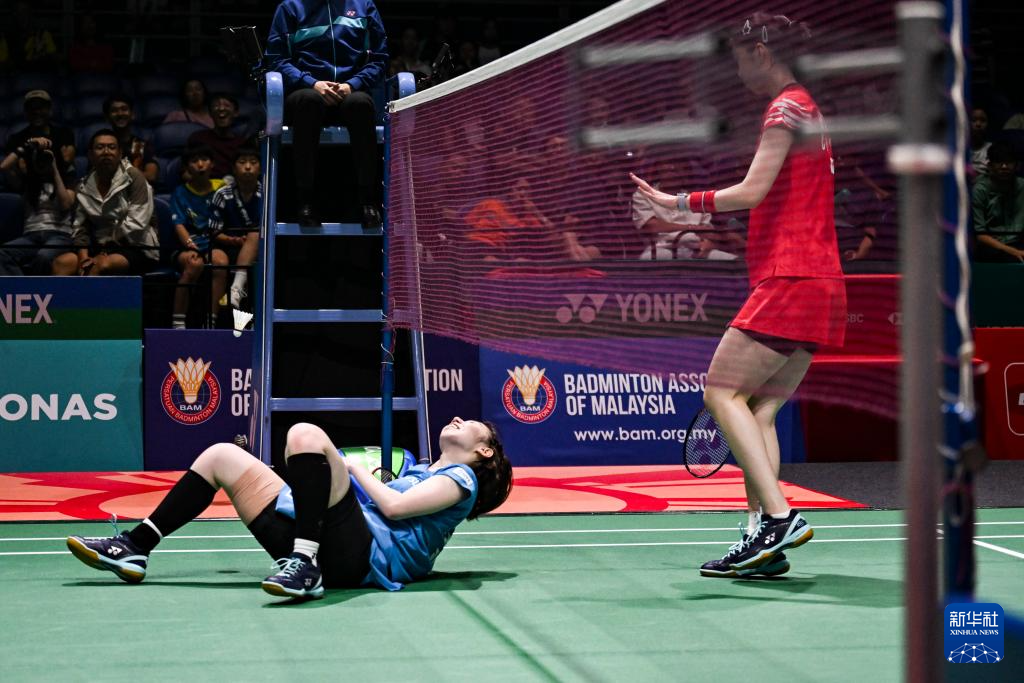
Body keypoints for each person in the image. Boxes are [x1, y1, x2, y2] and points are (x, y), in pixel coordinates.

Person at [631, 13, 845, 578]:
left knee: (720, 391)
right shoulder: (810, 108)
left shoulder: (784, 109)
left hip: (791, 276)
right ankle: (760, 539)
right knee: (760, 409)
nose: (737, 68)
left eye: (740, 57)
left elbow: (751, 192)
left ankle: (778, 517)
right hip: (820, 280)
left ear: (761, 53)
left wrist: (676, 204)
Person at [66, 417, 513, 599]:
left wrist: (353, 469)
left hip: (360, 559)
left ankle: (305, 564)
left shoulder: (463, 479)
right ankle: (136, 546)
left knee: (304, 434)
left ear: (485, 450)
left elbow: (394, 508)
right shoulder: (416, 468)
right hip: (333, 538)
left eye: (470, 424)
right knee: (221, 455)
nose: (458, 419)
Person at [264, 0, 388, 228]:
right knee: (308, 102)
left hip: (350, 91)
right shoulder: (290, 7)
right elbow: (277, 59)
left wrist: (352, 84)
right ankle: (305, 201)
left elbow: (379, 59)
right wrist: (311, 83)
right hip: (306, 91)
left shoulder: (364, 6)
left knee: (361, 104)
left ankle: (367, 201)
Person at [72, 129, 159, 275]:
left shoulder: (134, 177)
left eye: (112, 147)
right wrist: (83, 258)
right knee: (63, 263)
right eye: (100, 147)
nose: (106, 152)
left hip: (137, 247)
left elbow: (136, 224)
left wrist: (105, 252)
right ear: (90, 155)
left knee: (101, 265)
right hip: (100, 246)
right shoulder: (83, 186)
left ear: (120, 153)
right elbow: (80, 227)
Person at [631, 158, 738, 261]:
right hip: (661, 248)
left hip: (696, 248)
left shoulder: (691, 198)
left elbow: (707, 230)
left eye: (677, 163)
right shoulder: (645, 194)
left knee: (733, 261)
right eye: (668, 163)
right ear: (658, 168)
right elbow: (652, 226)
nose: (672, 167)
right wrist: (691, 227)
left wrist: (710, 243)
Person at [169, 145, 227, 328]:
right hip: (186, 245)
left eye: (205, 160)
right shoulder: (180, 192)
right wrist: (190, 244)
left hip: (213, 244)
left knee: (221, 262)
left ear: (212, 164)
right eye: (194, 161)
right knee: (194, 264)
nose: (200, 165)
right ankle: (178, 323)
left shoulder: (221, 188)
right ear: (187, 167)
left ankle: (211, 321)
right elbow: (179, 225)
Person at [0, 137, 77, 275]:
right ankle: (21, 285)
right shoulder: (28, 181)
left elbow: (65, 204)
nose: (43, 161)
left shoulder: (67, 179)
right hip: (31, 236)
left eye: (46, 157)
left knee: (44, 256)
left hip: (59, 235)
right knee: (3, 253)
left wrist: (53, 167)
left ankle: (36, 286)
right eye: (39, 157)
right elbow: (4, 166)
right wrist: (27, 145)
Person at [209, 147, 263, 309]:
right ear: (233, 168)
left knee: (255, 234)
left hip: (261, 249)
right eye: (242, 162)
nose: (248, 167)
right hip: (228, 247)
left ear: (261, 168)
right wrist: (233, 240)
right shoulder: (222, 194)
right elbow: (214, 231)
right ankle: (216, 316)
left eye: (253, 162)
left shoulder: (267, 194)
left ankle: (237, 288)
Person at [4, 91, 76, 185]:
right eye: (32, 108)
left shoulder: (64, 133)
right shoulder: (15, 139)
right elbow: (9, 168)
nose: (37, 112)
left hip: (60, 185)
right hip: (29, 188)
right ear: (25, 112)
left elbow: (67, 160)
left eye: (41, 107)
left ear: (50, 110)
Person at [972, 141, 1024, 262]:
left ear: (1017, 166)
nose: (1004, 166)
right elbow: (980, 235)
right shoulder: (979, 191)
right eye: (999, 162)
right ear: (989, 166)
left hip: (1019, 242)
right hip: (991, 246)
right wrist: (1012, 251)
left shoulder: (1022, 186)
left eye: (1009, 162)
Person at [186, 93, 254, 179]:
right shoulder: (197, 138)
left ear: (236, 113)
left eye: (227, 105)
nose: (221, 108)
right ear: (210, 113)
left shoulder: (243, 143)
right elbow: (186, 173)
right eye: (216, 106)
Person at [103, 94, 159, 184]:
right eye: (114, 111)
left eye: (124, 109)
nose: (120, 114)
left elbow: (151, 176)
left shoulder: (141, 145)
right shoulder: (102, 146)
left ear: (132, 114)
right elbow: (98, 176)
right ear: (107, 118)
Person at [970, 107, 991, 178]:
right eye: (973, 120)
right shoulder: (957, 149)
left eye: (983, 120)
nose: (978, 124)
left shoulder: (992, 150)